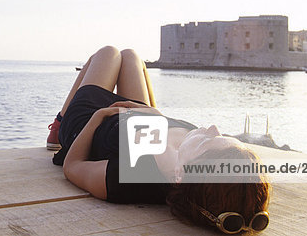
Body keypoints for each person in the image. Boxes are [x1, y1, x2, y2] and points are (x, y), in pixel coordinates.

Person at [46, 46, 271, 234]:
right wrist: (154, 114)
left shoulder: (128, 179)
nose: (212, 128)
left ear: (181, 174)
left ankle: (58, 124)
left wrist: (98, 116)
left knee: (109, 54)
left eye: (206, 141)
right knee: (132, 57)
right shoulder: (190, 169)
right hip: (140, 117)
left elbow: (72, 166)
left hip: (90, 121)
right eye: (223, 136)